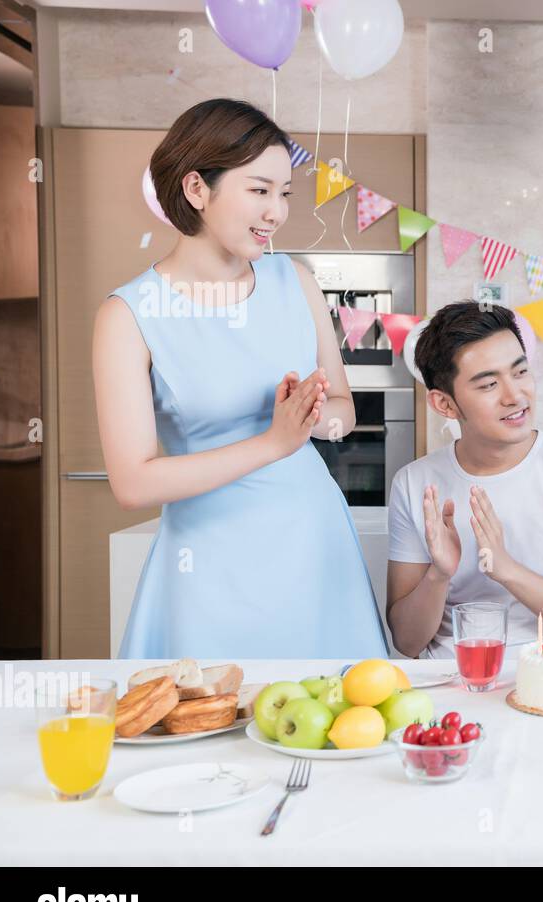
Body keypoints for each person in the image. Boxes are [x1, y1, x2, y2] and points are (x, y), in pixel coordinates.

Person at [95, 98, 387, 658]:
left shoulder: (295, 280)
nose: (276, 212)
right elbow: (133, 484)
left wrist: (315, 416)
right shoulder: (129, 315)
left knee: (338, 729)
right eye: (259, 190)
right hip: (208, 564)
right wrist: (272, 443)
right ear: (197, 188)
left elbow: (343, 408)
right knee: (207, 725)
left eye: (284, 193)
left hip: (313, 545)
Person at [386, 301, 543, 658]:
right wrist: (439, 574)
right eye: (488, 385)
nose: (515, 396)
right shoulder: (415, 483)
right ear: (445, 404)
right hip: (452, 678)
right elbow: (407, 642)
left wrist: (507, 570)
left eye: (520, 372)